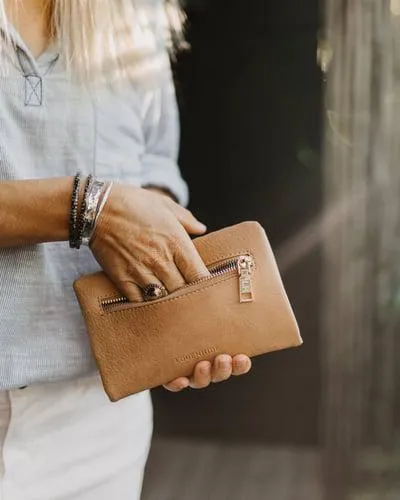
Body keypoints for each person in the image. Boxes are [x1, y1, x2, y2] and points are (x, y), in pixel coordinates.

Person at [0, 1, 252, 499]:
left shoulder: (131, 13)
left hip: (102, 425)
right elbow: (112, 206)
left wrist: (165, 313)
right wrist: (90, 209)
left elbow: (155, 169)